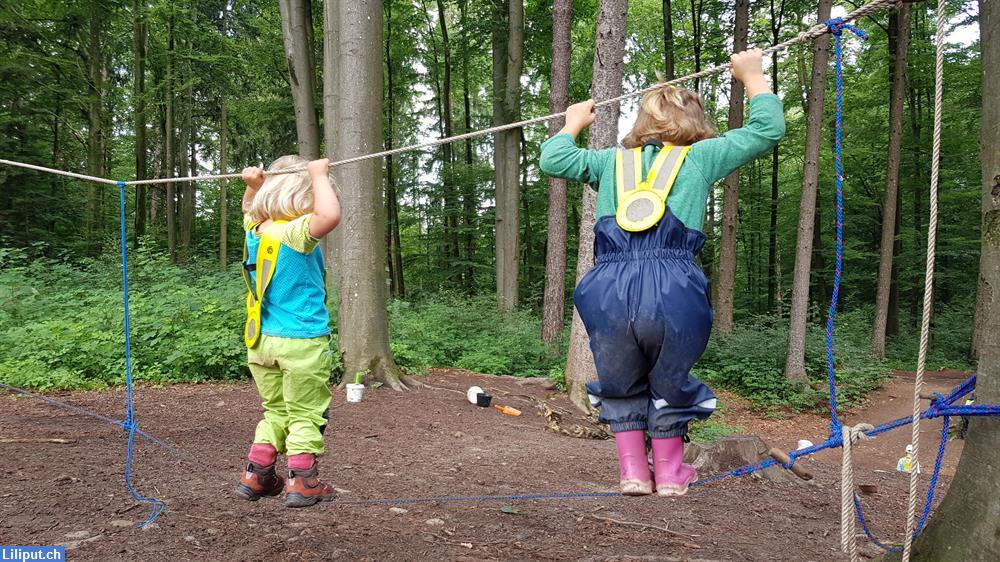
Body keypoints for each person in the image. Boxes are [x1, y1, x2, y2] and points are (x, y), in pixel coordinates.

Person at [539, 49, 785, 497]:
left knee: (619, 374)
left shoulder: (609, 162)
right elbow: (768, 129)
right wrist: (753, 77)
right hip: (673, 285)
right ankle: (670, 475)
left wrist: (573, 123)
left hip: (607, 288)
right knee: (670, 375)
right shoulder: (701, 157)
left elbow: (555, 160)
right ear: (694, 124)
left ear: (641, 124)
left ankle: (633, 472)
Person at [233, 156, 342, 508]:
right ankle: (302, 482)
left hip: (262, 342)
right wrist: (319, 174)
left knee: (275, 411)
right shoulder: (295, 234)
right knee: (306, 413)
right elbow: (329, 216)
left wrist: (253, 189)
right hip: (301, 342)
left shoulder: (256, 231)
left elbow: (250, 211)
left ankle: (257, 474)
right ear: (304, 196)